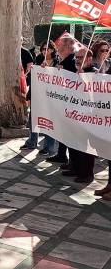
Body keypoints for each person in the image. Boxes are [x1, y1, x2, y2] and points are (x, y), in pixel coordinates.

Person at [62, 47, 98, 183]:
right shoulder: (75, 72)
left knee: (85, 147)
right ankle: (75, 167)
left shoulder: (95, 73)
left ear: (89, 59)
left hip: (87, 116)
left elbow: (95, 95)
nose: (77, 60)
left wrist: (84, 79)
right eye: (76, 57)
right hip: (74, 113)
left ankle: (87, 174)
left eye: (80, 57)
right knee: (74, 142)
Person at [46, 36, 78, 165]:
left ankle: (71, 161)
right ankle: (61, 154)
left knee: (68, 132)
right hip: (63, 101)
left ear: (67, 47)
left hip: (69, 102)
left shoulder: (71, 61)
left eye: (60, 46)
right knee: (63, 130)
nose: (57, 48)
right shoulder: (64, 61)